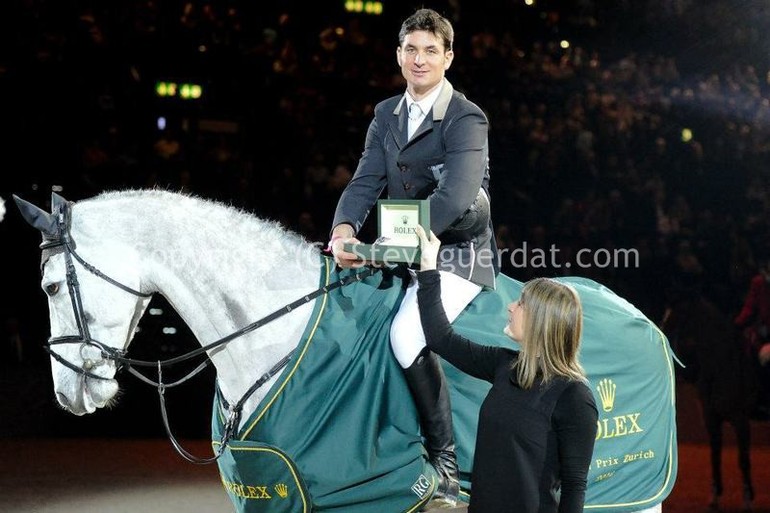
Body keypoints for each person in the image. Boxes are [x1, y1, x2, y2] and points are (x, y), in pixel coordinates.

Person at [328, 7, 497, 506]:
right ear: (398, 55)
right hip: (402, 248)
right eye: (410, 50)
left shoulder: (467, 117)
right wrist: (342, 229)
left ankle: (444, 462)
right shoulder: (386, 114)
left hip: (459, 253)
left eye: (430, 50)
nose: (419, 60)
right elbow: (365, 182)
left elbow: (455, 199)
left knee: (405, 334)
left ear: (448, 57)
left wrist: (382, 249)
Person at [413, 225, 598, 513]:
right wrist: (427, 268)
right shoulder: (504, 364)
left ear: (541, 321)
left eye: (521, 303)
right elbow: (440, 338)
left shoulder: (574, 397)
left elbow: (575, 487)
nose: (511, 306)